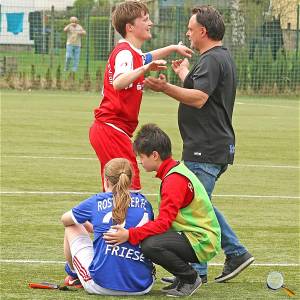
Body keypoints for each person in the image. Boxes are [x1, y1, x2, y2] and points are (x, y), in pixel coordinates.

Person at [144, 5, 254, 283]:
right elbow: (205, 94)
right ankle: (208, 266)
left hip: (206, 148)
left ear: (203, 31)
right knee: (200, 204)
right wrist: (183, 75)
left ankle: (231, 254)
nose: (188, 33)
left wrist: (164, 88)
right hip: (211, 145)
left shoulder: (212, 60)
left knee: (192, 206)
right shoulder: (218, 58)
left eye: (191, 29)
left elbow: (199, 98)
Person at [103, 124, 221, 297]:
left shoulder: (174, 180)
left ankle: (190, 278)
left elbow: (164, 223)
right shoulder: (174, 172)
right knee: (150, 238)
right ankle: (181, 277)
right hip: (195, 235)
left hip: (201, 240)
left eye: (141, 157)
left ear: (155, 155)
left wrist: (130, 234)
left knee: (150, 245)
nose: (140, 162)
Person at [89, 0, 193, 192]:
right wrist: (146, 69)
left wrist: (172, 48)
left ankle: (106, 221)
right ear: (130, 27)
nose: (150, 23)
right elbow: (119, 82)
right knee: (130, 190)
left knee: (115, 190)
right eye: (145, 19)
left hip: (110, 130)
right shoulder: (125, 54)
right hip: (111, 130)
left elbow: (147, 56)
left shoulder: (132, 54)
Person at [61, 158, 155, 295]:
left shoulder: (96, 201)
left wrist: (85, 222)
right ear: (130, 180)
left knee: (71, 226)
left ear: (106, 180)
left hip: (100, 285)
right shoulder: (145, 203)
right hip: (142, 286)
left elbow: (65, 220)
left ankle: (74, 275)